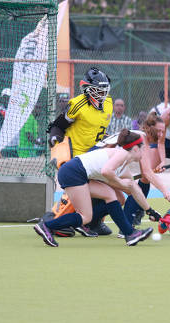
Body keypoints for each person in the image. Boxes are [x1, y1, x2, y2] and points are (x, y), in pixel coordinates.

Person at [33, 130, 161, 247]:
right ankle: (46, 226)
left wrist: (150, 211)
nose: (145, 152)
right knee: (85, 217)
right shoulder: (121, 154)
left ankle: (130, 234)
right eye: (143, 148)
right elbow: (106, 171)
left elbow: (134, 189)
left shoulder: (123, 165)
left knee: (112, 195)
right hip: (72, 173)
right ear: (134, 149)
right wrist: (121, 183)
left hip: (80, 174)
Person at [46, 67, 113, 236]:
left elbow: (97, 128)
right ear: (87, 90)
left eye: (104, 90)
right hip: (76, 154)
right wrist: (54, 139)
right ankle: (54, 220)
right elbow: (58, 125)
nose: (101, 95)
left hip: (95, 152)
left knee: (107, 186)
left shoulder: (109, 104)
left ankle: (93, 223)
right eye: (97, 91)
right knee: (80, 189)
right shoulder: (77, 104)